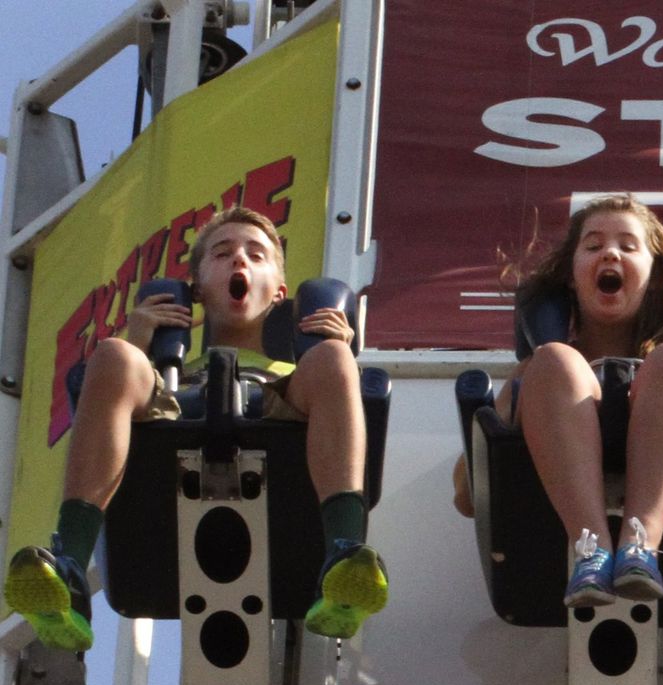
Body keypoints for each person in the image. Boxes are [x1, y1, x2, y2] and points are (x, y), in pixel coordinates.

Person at [4, 206, 389, 649]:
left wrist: (336, 347)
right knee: (110, 354)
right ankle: (69, 566)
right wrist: (138, 343)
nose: (240, 261)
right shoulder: (165, 373)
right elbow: (123, 379)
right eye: (223, 254)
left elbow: (328, 383)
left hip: (280, 428)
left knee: (336, 359)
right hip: (173, 425)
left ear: (280, 293)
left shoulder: (299, 371)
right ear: (197, 290)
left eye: (256, 254)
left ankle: (343, 555)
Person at [451, 193, 663, 606]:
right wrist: (520, 387)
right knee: (556, 361)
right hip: (547, 539)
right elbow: (466, 497)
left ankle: (641, 546)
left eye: (628, 245)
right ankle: (592, 550)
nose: (610, 254)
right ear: (571, 274)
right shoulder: (542, 369)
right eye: (593, 246)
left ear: (655, 273)